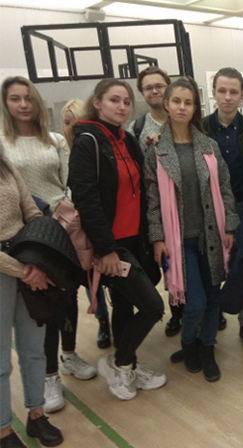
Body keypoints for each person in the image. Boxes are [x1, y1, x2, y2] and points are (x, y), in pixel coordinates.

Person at [1, 77, 96, 415]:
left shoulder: (54, 140)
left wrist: (64, 216)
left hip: (59, 230)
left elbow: (70, 182)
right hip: (23, 238)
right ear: (6, 104)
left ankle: (69, 355)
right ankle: (49, 374)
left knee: (66, 295)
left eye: (28, 98)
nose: (23, 104)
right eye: (15, 98)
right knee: (39, 306)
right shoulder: (2, 144)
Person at [69, 78, 166, 400]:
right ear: (97, 103)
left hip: (135, 239)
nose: (122, 106)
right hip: (113, 245)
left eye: (126, 101)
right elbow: (86, 201)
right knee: (152, 307)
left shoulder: (127, 140)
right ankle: (120, 363)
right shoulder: (87, 142)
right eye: (114, 100)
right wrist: (107, 249)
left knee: (124, 304)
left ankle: (129, 365)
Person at [145, 77, 239, 380]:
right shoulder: (156, 151)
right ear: (167, 105)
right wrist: (157, 237)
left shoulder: (208, 146)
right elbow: (152, 199)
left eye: (188, 102)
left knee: (212, 300)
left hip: (210, 236)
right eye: (176, 101)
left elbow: (224, 189)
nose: (182, 107)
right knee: (194, 302)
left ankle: (207, 348)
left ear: (195, 107)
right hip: (179, 240)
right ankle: (188, 344)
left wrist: (231, 227)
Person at [0, 140, 64, 448]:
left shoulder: (6, 166)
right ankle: (3, 431)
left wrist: (37, 260)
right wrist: (24, 270)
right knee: (0, 361)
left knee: (34, 349)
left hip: (27, 262)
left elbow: (33, 214)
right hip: (13, 271)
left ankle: (36, 415)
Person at [203, 67, 243, 349]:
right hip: (208, 209)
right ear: (213, 93)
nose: (227, 97)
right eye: (222, 91)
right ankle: (213, 315)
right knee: (211, 264)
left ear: (242, 95)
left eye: (233, 92)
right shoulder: (200, 128)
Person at [127, 66, 183, 337]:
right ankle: (177, 311)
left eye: (159, 85)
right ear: (142, 93)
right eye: (148, 87)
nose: (154, 91)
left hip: (188, 204)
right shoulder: (136, 128)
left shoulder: (183, 118)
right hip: (157, 206)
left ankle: (206, 309)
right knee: (168, 261)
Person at [61, 99, 112, 350]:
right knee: (88, 276)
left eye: (76, 122)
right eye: (67, 122)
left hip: (98, 223)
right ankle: (103, 320)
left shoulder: (94, 148)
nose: (71, 128)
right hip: (71, 227)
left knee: (107, 272)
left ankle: (116, 318)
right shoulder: (61, 149)